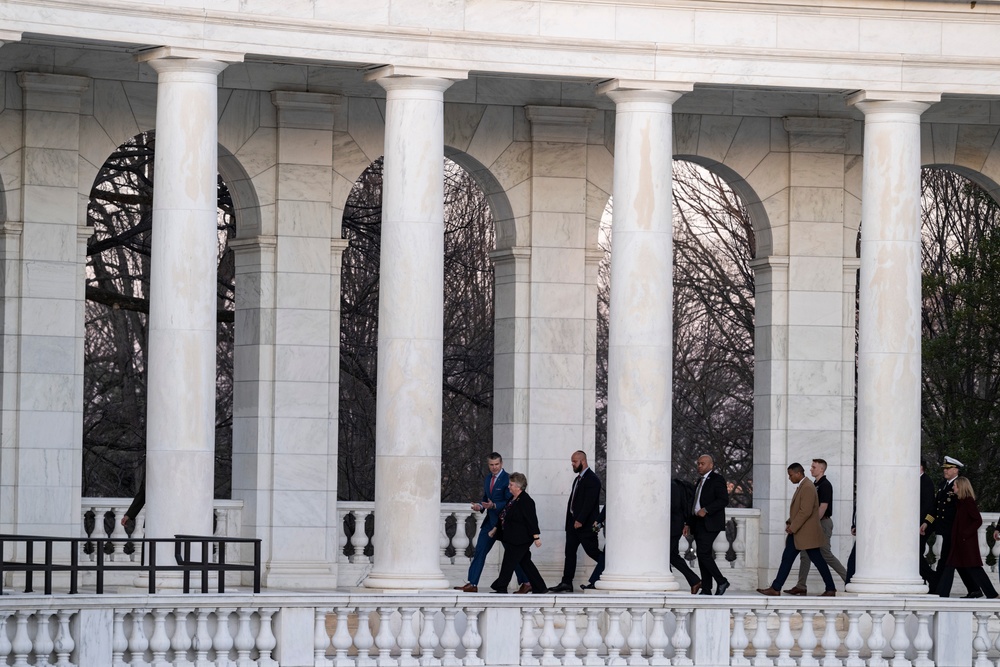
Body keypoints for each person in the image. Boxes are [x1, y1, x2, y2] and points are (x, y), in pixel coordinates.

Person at [757, 462, 837, 597]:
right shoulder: (805, 486)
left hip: (804, 532)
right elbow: (800, 510)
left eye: (791, 475)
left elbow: (805, 511)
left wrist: (793, 527)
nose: (789, 478)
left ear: (798, 473)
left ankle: (830, 588)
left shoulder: (807, 487)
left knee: (814, 560)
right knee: (790, 558)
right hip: (801, 532)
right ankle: (776, 587)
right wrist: (790, 522)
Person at [455, 453, 530, 593]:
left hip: (505, 525)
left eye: (497, 464)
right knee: (480, 551)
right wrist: (480, 506)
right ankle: (472, 583)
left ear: (501, 464)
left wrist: (494, 505)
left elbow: (510, 502)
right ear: (488, 465)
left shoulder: (508, 479)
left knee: (513, 554)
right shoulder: (488, 478)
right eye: (491, 465)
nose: (494, 467)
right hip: (490, 523)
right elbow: (485, 498)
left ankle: (526, 582)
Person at [920, 456, 980, 597]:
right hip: (945, 529)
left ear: (955, 470)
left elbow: (964, 513)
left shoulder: (960, 486)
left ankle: (939, 590)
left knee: (947, 561)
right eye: (944, 469)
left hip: (954, 530)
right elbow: (936, 508)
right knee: (955, 561)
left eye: (948, 469)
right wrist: (927, 522)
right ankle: (974, 589)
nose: (945, 471)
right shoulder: (943, 485)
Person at [785, 459, 847, 595]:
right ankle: (801, 585)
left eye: (814, 467)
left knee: (825, 554)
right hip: (813, 524)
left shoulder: (825, 485)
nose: (811, 469)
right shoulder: (813, 484)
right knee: (805, 555)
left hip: (821, 523)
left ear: (821, 469)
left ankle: (847, 580)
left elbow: (822, 507)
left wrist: (812, 525)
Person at [549, 451, 605, 593]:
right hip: (573, 525)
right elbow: (573, 502)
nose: (572, 464)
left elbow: (589, 503)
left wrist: (580, 520)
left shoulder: (592, 480)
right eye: (572, 462)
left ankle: (609, 566)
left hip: (585, 526)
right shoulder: (578, 479)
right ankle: (566, 583)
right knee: (570, 553)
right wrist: (571, 521)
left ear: (583, 461)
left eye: (575, 462)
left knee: (592, 552)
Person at [935, 477, 998, 599]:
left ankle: (992, 594)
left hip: (965, 543)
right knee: (951, 566)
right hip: (958, 542)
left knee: (974, 568)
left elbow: (977, 520)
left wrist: (965, 534)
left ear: (961, 487)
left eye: (955, 486)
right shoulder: (960, 502)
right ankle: (942, 595)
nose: (953, 488)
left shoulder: (968, 502)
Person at [488, 472, 548, 594]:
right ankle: (540, 587)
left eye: (511, 484)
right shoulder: (513, 499)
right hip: (512, 537)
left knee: (508, 563)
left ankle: (501, 587)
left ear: (518, 487)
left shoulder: (526, 501)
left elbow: (531, 520)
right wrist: (495, 529)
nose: (509, 486)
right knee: (525, 562)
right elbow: (503, 515)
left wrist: (536, 537)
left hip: (521, 539)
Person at [684, 454, 730, 595]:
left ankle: (721, 581)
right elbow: (694, 504)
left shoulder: (717, 479)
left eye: (702, 463)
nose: (699, 466)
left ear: (711, 465)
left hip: (711, 523)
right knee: (703, 554)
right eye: (698, 463)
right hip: (698, 523)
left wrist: (707, 509)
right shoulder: (699, 481)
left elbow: (723, 500)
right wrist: (688, 523)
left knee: (703, 553)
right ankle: (707, 588)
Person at [670, 478, 701, 594]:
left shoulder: (672, 486)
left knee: (665, 555)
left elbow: (674, 506)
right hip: (674, 525)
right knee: (672, 555)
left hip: (672, 525)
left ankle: (666, 584)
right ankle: (695, 581)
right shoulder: (673, 484)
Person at [918, 459, 936, 592]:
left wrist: (925, 522)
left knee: (915, 555)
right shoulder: (917, 480)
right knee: (916, 555)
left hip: (922, 525)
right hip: (915, 525)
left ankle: (932, 578)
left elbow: (929, 506)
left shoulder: (926, 482)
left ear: (921, 467)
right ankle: (928, 579)